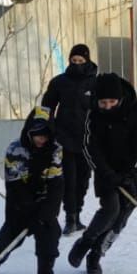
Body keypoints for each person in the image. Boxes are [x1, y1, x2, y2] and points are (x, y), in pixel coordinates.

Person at [68, 72, 137, 274]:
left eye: (112, 102)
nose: (108, 106)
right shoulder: (93, 113)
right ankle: (85, 241)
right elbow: (89, 147)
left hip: (134, 169)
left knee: (122, 215)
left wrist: (131, 174)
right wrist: (107, 173)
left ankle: (96, 255)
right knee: (111, 209)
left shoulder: (134, 110)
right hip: (106, 169)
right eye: (103, 102)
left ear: (120, 98)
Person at [0, 106, 64, 274]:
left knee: (50, 235)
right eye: (36, 134)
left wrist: (47, 211)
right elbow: (14, 185)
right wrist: (28, 209)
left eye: (45, 134)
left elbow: (56, 184)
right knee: (7, 240)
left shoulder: (56, 150)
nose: (41, 139)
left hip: (44, 204)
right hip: (19, 204)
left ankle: (46, 273)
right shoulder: (15, 149)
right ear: (29, 132)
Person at [41, 43, 99, 235]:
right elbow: (46, 108)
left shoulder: (96, 83)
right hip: (64, 140)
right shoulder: (59, 82)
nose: (77, 64)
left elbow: (104, 110)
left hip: (87, 141)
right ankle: (70, 218)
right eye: (73, 61)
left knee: (83, 180)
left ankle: (78, 214)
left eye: (81, 61)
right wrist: (50, 130)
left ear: (87, 60)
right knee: (68, 180)